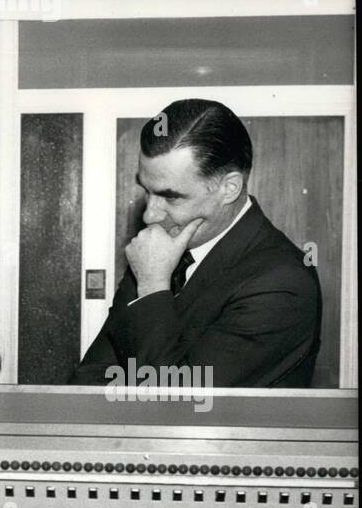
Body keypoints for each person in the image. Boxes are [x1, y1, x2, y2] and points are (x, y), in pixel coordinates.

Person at [75, 98, 320, 388]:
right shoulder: (161, 252)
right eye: (146, 190)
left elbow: (179, 405)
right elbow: (87, 379)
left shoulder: (282, 284)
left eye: (171, 196)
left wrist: (153, 285)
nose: (150, 215)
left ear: (229, 188)